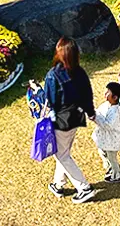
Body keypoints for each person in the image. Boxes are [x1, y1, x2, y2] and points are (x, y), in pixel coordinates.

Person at [44, 37, 97, 204]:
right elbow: (88, 94)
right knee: (64, 152)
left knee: (62, 155)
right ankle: (58, 184)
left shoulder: (53, 75)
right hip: (76, 117)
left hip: (61, 120)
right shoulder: (80, 72)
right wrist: (90, 112)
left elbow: (50, 100)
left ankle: (84, 188)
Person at [92, 82, 120, 183]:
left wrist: (95, 118)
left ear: (114, 97)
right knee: (102, 152)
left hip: (111, 140)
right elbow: (99, 113)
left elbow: (108, 125)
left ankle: (116, 174)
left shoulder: (115, 111)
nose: (105, 94)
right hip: (104, 138)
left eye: (107, 93)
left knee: (111, 157)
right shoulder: (105, 105)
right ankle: (111, 167)